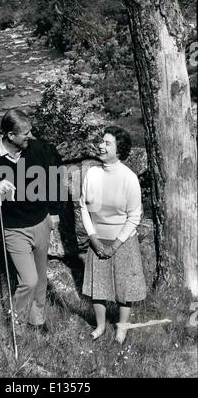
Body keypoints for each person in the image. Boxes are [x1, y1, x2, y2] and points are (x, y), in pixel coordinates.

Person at [0, 108, 60, 334]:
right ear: (10, 136)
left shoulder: (35, 149)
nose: (30, 136)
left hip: (41, 222)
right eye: (25, 133)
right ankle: (16, 324)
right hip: (14, 229)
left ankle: (37, 320)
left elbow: (52, 178)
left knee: (40, 280)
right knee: (28, 280)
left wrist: (54, 212)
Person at [80, 126, 146, 344]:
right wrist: (94, 239)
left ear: (119, 150)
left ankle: (121, 329)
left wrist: (116, 245)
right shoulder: (92, 173)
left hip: (123, 241)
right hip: (97, 240)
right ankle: (99, 327)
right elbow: (83, 207)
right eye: (102, 141)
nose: (101, 145)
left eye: (107, 143)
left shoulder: (129, 178)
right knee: (98, 287)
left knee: (123, 289)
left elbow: (134, 216)